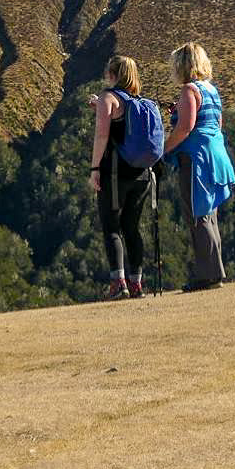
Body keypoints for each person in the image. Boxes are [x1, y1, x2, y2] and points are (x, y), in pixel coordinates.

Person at [161, 41, 235, 291]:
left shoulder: (189, 90)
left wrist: (163, 148)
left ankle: (207, 275)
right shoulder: (211, 90)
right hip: (216, 154)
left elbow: (186, 127)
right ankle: (215, 271)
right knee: (209, 214)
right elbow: (216, 122)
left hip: (196, 159)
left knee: (196, 214)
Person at [89, 54, 153, 300]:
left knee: (111, 228)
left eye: (108, 71)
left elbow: (102, 136)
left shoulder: (108, 97)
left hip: (115, 173)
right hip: (142, 174)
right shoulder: (141, 102)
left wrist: (95, 169)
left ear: (113, 75)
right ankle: (137, 284)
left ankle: (119, 284)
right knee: (132, 228)